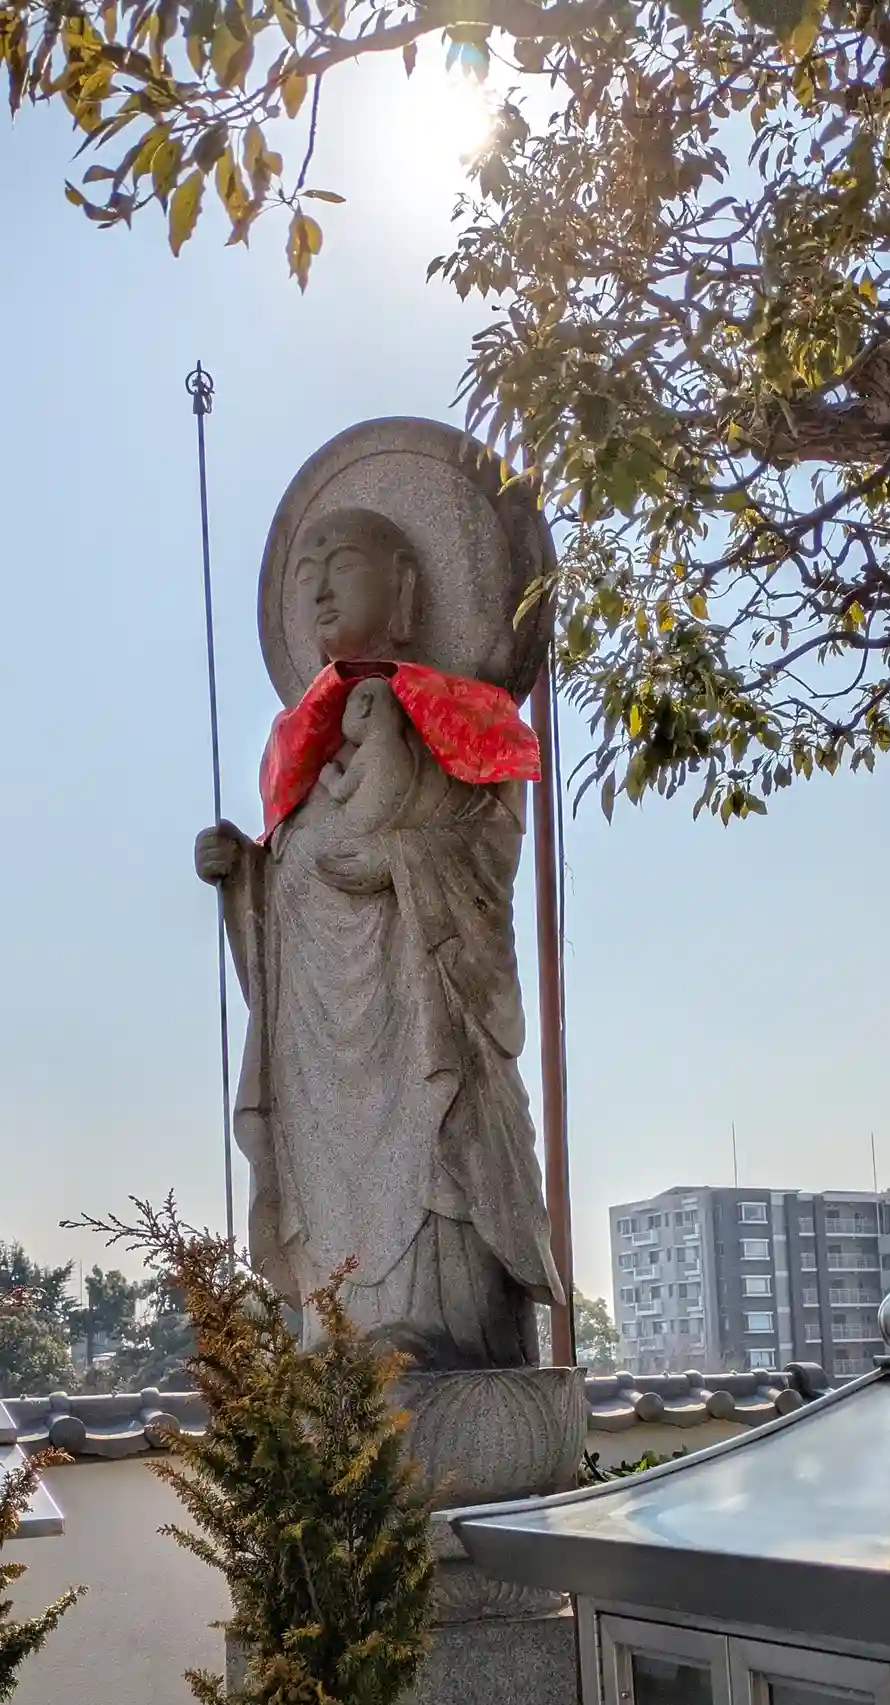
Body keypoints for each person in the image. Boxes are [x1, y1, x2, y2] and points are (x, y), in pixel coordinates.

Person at [196, 504, 561, 1369]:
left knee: (435, 1159)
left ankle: (443, 1328)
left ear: (403, 589)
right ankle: (338, 1331)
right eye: (306, 572)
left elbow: (489, 854)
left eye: (344, 564)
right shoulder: (302, 747)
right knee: (326, 1184)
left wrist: (396, 859)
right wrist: (244, 873)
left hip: (418, 1010)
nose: (320, 588)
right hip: (318, 1046)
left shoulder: (458, 722)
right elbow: (290, 878)